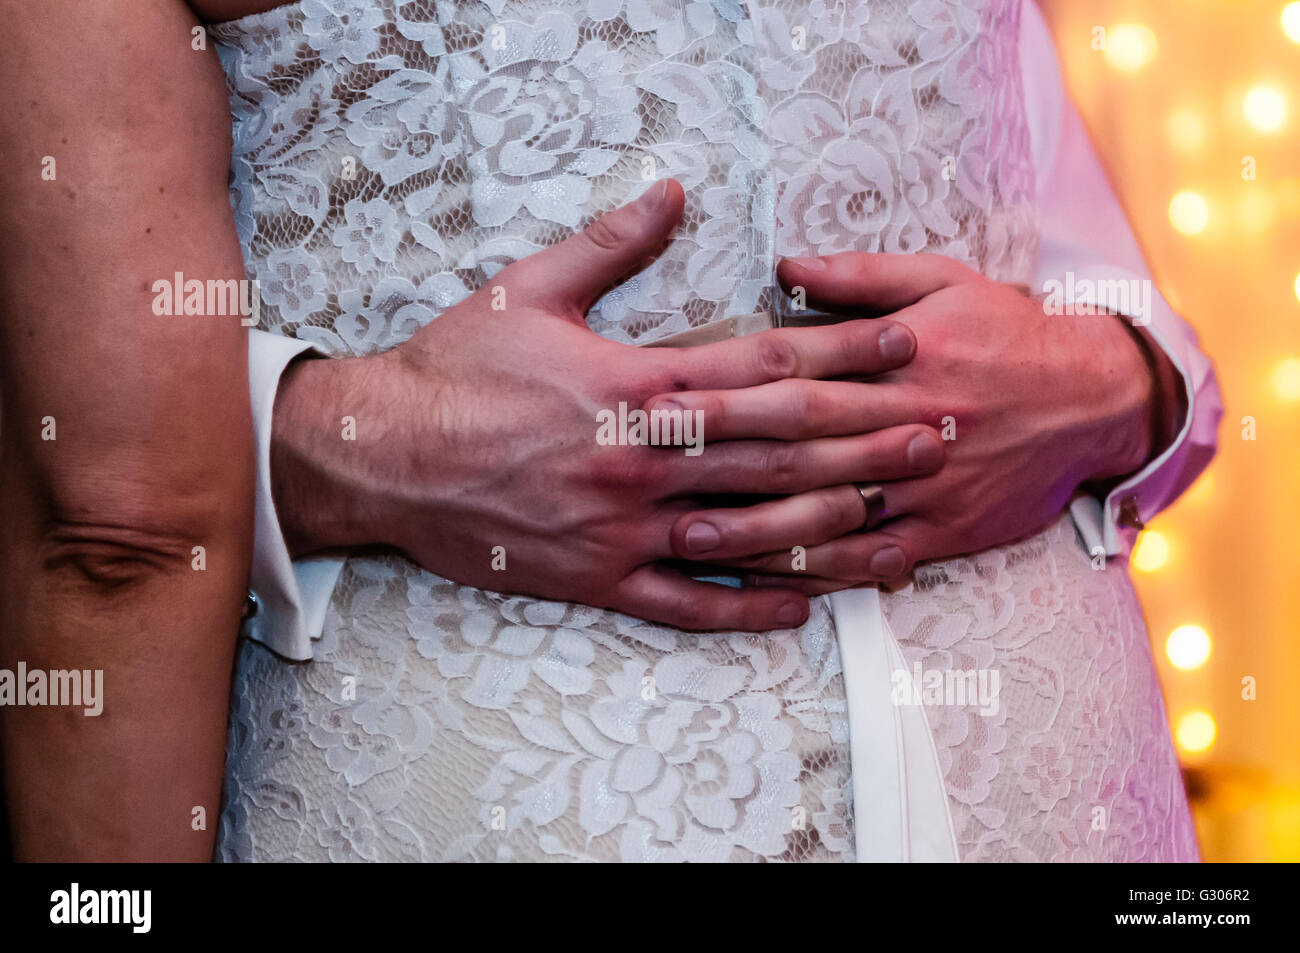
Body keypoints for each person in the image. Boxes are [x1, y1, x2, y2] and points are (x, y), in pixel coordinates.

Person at [2, 0, 1221, 861]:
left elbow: (1070, 248)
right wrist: (362, 438)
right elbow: (114, 498)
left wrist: (1126, 375)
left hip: (1053, 784)